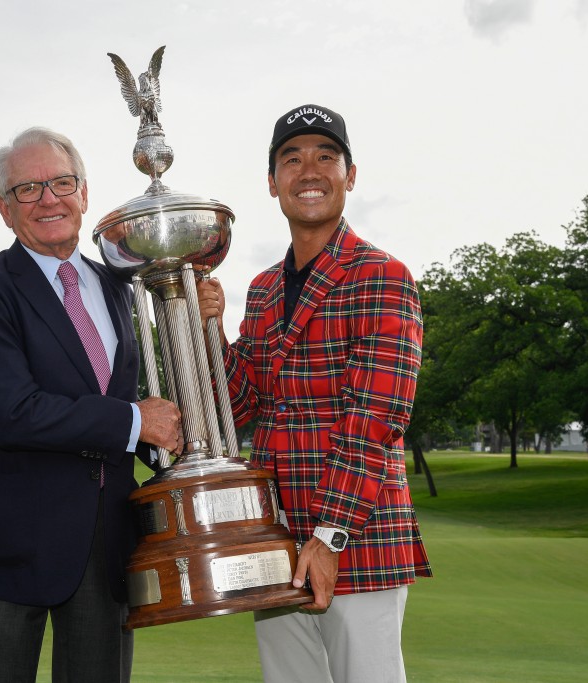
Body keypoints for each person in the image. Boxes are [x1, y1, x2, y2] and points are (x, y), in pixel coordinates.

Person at [0, 127, 182, 683]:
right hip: (7, 543)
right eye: (28, 189)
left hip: (108, 543)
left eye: (62, 183)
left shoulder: (118, 285)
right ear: (4, 209)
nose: (49, 199)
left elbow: (128, 399)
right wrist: (138, 421)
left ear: (85, 193)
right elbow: (12, 411)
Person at [197, 104, 431, 683]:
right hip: (274, 536)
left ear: (351, 175)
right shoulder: (264, 288)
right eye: (292, 158)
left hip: (355, 536)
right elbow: (244, 402)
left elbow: (375, 419)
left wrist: (329, 536)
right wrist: (208, 331)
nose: (310, 170)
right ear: (272, 182)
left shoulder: (382, 275)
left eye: (327, 156)